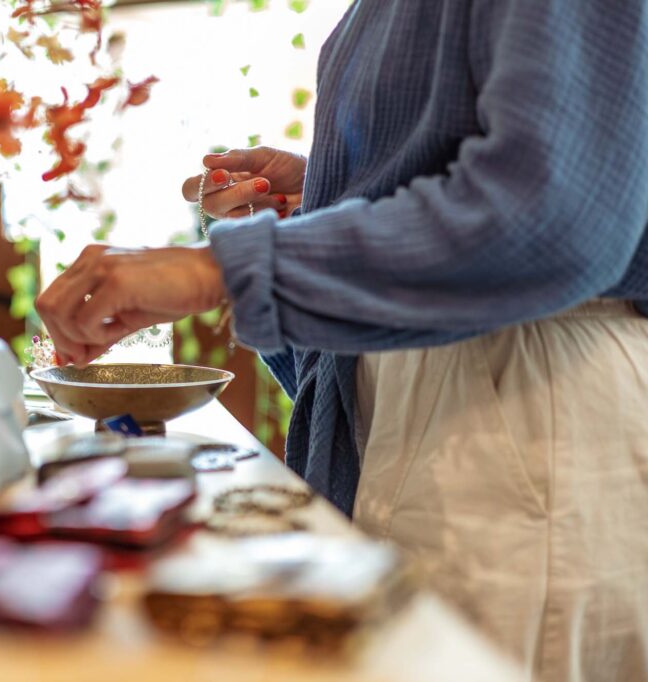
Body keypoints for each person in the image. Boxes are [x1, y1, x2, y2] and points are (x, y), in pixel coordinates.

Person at [37, 1, 648, 680]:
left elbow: (554, 213)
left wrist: (225, 269)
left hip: (523, 410)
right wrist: (332, 196)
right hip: (458, 415)